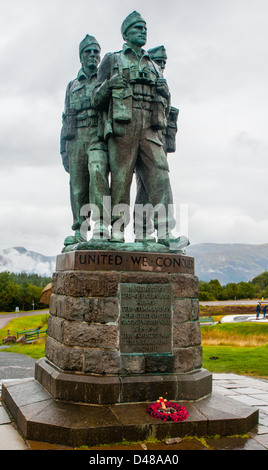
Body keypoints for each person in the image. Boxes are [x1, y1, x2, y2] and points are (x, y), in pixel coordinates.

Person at [93, 11, 180, 247]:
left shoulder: (153, 65)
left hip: (150, 128)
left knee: (160, 175)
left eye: (145, 28)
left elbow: (166, 105)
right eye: (137, 28)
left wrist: (166, 92)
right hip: (124, 125)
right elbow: (95, 99)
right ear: (125, 34)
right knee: (121, 179)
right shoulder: (113, 59)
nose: (143, 32)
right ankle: (118, 230)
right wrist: (110, 85)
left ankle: (164, 233)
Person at [60, 35, 110, 246]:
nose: (92, 56)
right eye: (88, 52)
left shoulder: (104, 79)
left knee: (98, 173)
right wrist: (63, 149)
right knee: (78, 185)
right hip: (76, 138)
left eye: (95, 52)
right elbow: (65, 117)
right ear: (81, 56)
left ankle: (101, 224)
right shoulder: (72, 85)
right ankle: (80, 228)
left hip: (97, 135)